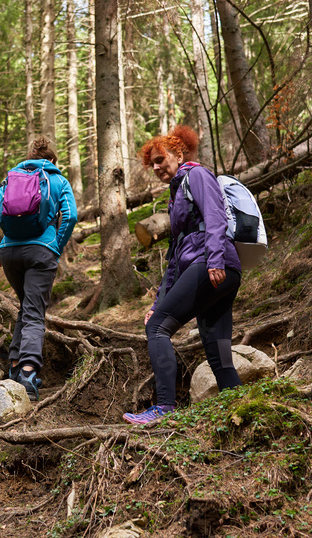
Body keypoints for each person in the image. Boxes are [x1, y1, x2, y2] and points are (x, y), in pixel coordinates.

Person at [123, 125, 243, 425]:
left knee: (157, 330)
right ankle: (241, 408)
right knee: (216, 348)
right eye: (152, 163)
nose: (156, 166)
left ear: (178, 153)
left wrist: (214, 259)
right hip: (213, 268)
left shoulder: (197, 175)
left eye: (160, 159)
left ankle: (164, 407)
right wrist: (157, 303)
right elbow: (175, 258)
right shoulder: (177, 193)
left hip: (213, 265)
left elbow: (215, 218)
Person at [0, 136, 77, 400]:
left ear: (30, 156)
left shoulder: (10, 180)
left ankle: (14, 366)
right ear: (52, 159)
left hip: (9, 253)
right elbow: (71, 216)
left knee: (27, 307)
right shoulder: (58, 180)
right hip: (40, 252)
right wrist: (54, 246)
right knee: (35, 312)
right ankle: (28, 373)